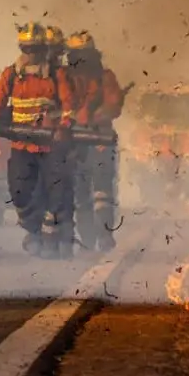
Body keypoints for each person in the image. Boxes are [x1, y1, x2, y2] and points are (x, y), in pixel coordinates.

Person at [0, 21, 78, 258]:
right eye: (26, 49)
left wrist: (63, 129)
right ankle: (33, 230)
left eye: (36, 49)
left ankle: (52, 236)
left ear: (44, 50)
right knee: (20, 193)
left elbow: (69, 107)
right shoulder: (10, 75)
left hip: (51, 146)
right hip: (22, 145)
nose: (31, 54)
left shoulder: (57, 75)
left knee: (55, 192)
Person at [67, 30, 126, 252]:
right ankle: (89, 239)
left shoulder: (105, 78)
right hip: (78, 142)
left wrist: (92, 117)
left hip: (99, 140)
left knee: (101, 193)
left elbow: (113, 105)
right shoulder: (64, 79)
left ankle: (102, 236)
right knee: (81, 193)